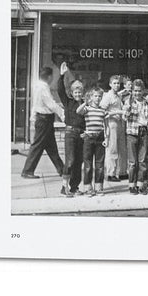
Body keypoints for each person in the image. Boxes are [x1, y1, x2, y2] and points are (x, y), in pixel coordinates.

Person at [21, 66, 65, 179]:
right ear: (49, 77)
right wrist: (62, 114)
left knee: (51, 146)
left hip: (44, 119)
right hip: (44, 119)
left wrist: (33, 117)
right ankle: (27, 170)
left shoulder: (37, 86)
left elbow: (36, 103)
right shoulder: (43, 87)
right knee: (37, 145)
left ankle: (62, 169)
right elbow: (50, 103)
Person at [56, 63, 84, 196]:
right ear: (72, 93)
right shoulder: (68, 102)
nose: (78, 94)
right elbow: (60, 90)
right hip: (70, 133)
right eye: (75, 92)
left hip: (81, 134)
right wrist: (62, 76)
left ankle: (74, 187)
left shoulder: (84, 104)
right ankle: (64, 186)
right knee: (70, 160)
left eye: (80, 92)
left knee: (79, 161)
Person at [77, 86, 107, 196]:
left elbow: (106, 125)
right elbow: (78, 111)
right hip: (89, 138)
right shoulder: (87, 109)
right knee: (88, 164)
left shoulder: (102, 110)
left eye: (99, 96)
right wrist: (86, 102)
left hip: (100, 138)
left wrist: (106, 138)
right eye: (95, 96)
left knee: (99, 164)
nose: (97, 98)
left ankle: (98, 187)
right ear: (91, 97)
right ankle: (87, 187)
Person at [124, 79, 148, 195]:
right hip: (132, 132)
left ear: (143, 91)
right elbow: (125, 117)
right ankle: (132, 185)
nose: (137, 93)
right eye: (135, 91)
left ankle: (141, 184)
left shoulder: (146, 103)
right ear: (132, 91)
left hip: (144, 131)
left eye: (139, 91)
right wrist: (128, 109)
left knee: (142, 160)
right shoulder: (128, 102)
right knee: (132, 162)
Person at [101, 74, 127, 182]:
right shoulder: (108, 96)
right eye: (114, 83)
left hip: (120, 123)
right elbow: (102, 111)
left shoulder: (118, 96)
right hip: (111, 123)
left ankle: (122, 172)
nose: (117, 85)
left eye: (118, 83)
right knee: (112, 149)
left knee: (122, 148)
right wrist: (118, 112)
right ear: (110, 84)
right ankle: (110, 173)